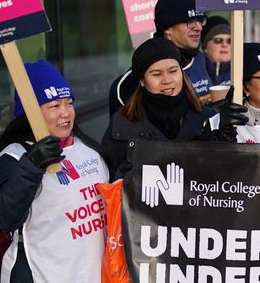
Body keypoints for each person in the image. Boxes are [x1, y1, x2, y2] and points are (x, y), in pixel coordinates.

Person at [0, 60, 114, 283]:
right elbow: (5, 217)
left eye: (68, 103)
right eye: (53, 106)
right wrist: (33, 166)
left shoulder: (87, 147)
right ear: (30, 112)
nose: (66, 113)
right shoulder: (14, 158)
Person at [101, 36, 244, 177]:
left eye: (173, 71)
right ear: (142, 81)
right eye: (156, 74)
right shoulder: (122, 124)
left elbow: (228, 176)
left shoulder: (209, 119)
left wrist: (225, 139)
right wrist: (123, 178)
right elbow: (108, 177)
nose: (167, 80)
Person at [108, 0, 208, 116]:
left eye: (200, 20)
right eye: (191, 21)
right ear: (167, 29)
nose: (199, 27)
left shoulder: (201, 59)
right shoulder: (129, 84)